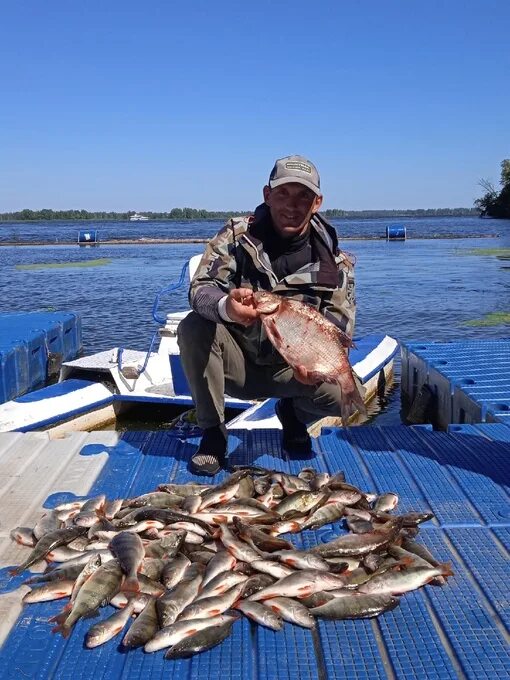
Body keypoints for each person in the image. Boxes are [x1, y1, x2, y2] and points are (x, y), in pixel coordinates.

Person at [177, 155, 357, 475]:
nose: (293, 204)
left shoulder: (336, 263)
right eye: (283, 193)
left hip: (293, 371)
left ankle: (293, 415)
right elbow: (201, 288)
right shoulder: (236, 236)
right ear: (267, 195)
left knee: (346, 390)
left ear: (317, 202)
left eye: (303, 195)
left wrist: (316, 367)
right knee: (194, 326)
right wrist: (226, 308)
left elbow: (339, 327)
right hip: (239, 365)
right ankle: (213, 434)